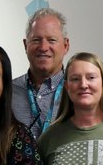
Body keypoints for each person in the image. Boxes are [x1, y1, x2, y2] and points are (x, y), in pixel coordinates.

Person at [11, 8, 71, 141]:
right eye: (36, 40)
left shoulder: (77, 93)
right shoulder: (7, 92)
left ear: (66, 46)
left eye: (52, 40)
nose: (43, 47)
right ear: (25, 45)